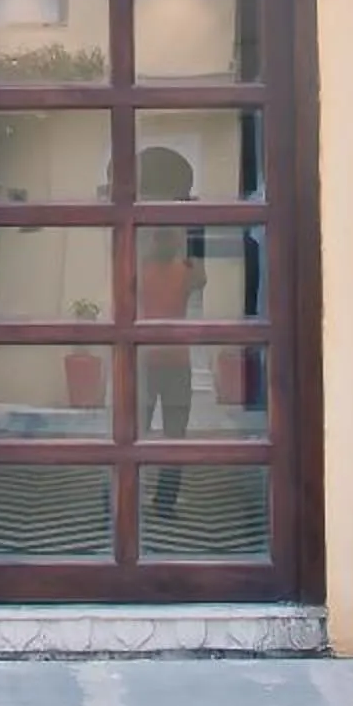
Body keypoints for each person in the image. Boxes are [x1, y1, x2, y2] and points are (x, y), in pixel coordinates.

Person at [132, 147, 203, 516]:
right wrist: (190, 239)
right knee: (175, 434)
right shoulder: (184, 269)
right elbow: (201, 279)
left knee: (135, 433)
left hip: (148, 359)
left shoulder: (141, 271)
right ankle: (165, 502)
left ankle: (127, 496)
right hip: (174, 361)